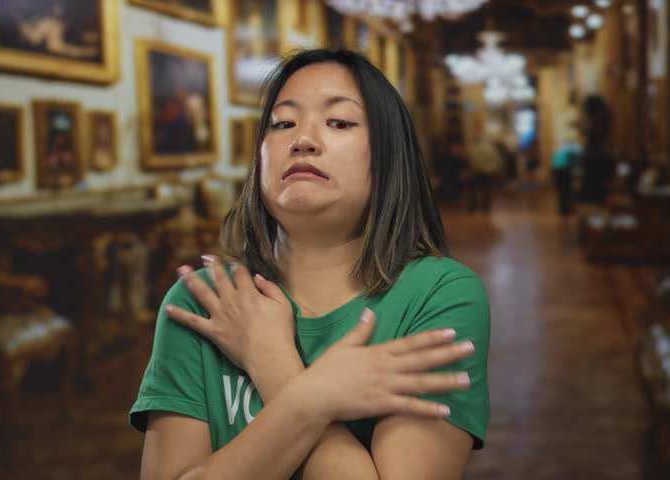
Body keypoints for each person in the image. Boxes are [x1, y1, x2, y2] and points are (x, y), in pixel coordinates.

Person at [130, 49, 490, 479]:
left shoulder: (437, 294)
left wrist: (274, 364)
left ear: (390, 155)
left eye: (339, 122)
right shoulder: (207, 301)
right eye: (283, 123)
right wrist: (317, 395)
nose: (303, 139)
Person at [466, 134, 503, 213]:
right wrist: (493, 169)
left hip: (477, 172)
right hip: (489, 172)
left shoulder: (474, 148)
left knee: (474, 190)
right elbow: (497, 159)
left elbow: (472, 160)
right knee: (487, 190)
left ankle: (473, 207)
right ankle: (486, 207)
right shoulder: (491, 148)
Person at [551, 133, 582, 216]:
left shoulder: (562, 147)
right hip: (565, 170)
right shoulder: (576, 147)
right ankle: (567, 209)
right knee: (567, 190)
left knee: (562, 190)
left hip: (557, 170)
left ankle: (563, 209)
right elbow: (578, 160)